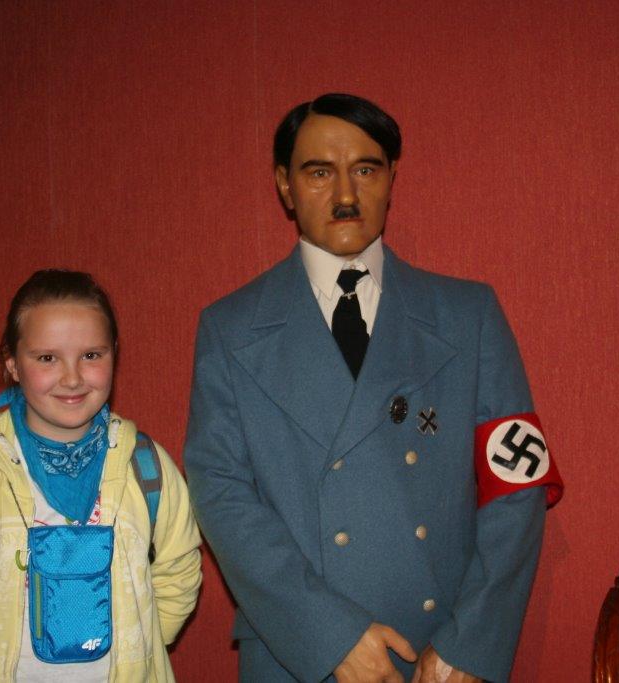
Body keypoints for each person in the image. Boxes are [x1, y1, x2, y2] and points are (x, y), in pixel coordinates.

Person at [183, 93, 563, 683]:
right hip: (297, 654)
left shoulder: (469, 316)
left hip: (440, 655)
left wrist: (471, 644)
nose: (345, 195)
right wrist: (330, 637)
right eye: (318, 173)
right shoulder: (231, 329)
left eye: (365, 169)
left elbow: (517, 485)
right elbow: (221, 494)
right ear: (284, 185)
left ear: (391, 179)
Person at [0, 269, 202, 681]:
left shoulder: (146, 468)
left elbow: (179, 568)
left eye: (91, 356)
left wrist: (142, 647)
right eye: (47, 358)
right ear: (13, 365)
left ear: (114, 355)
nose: (72, 378)